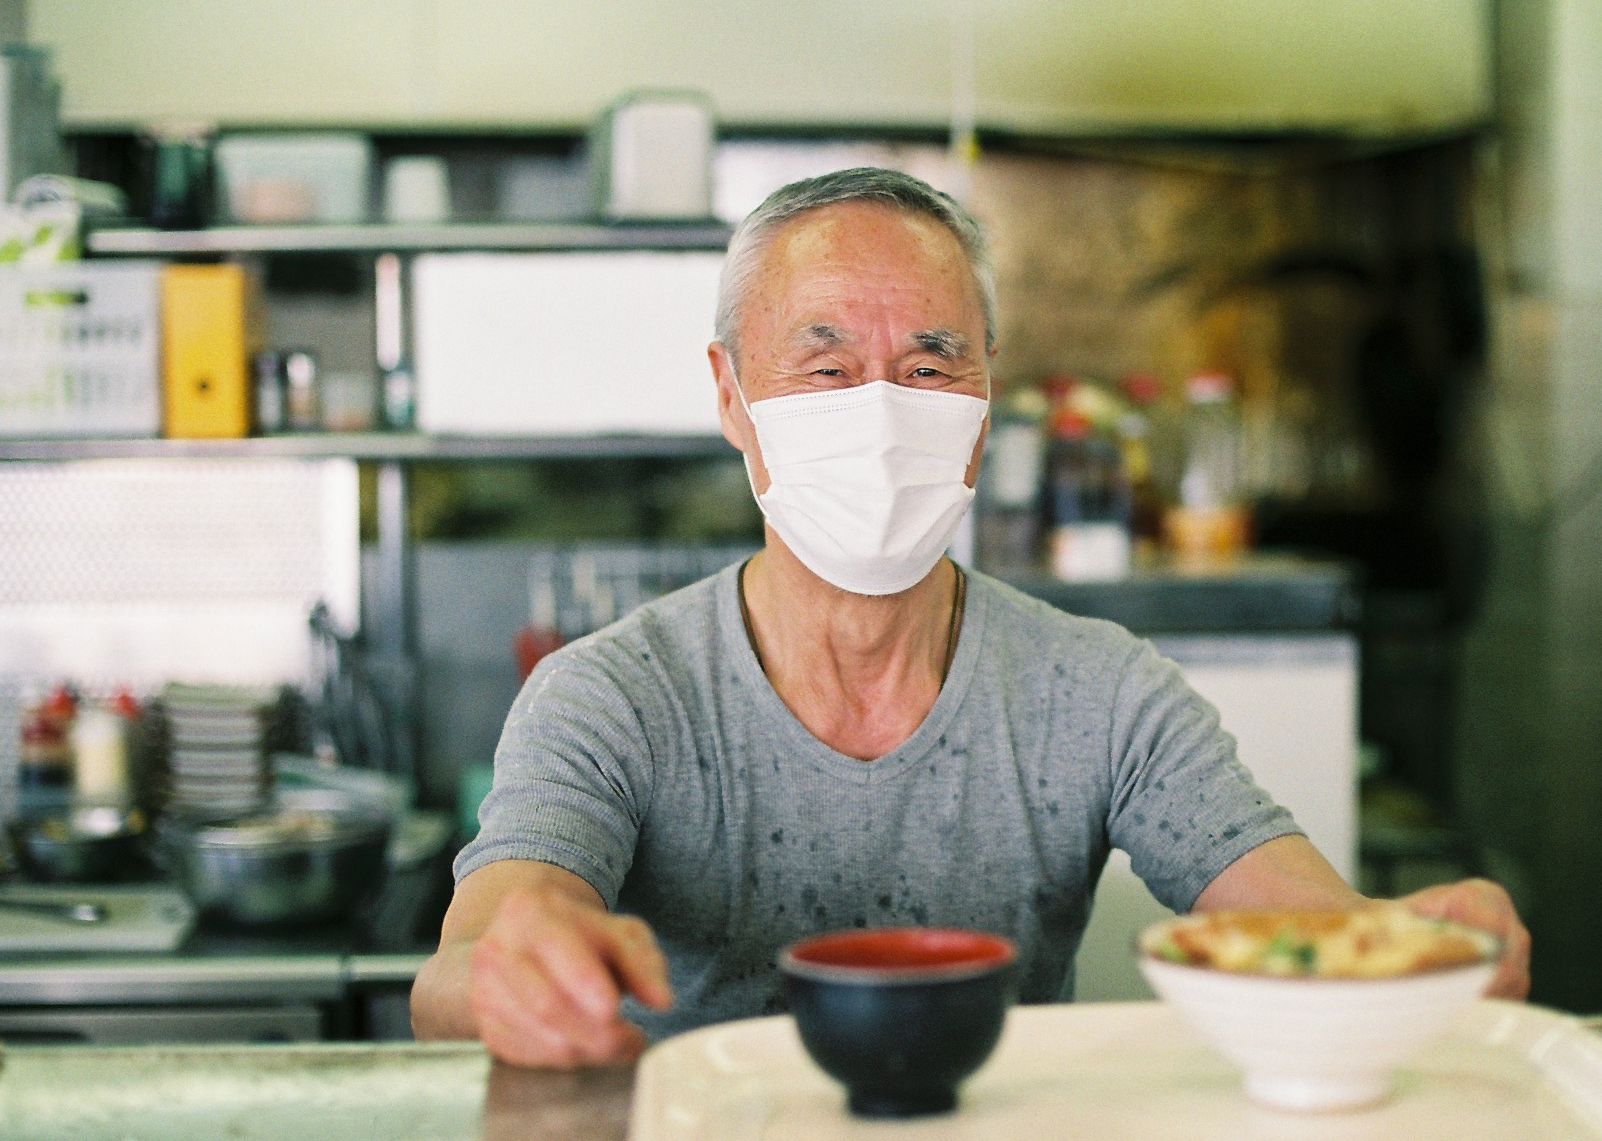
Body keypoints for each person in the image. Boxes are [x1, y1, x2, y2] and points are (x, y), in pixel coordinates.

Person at [410, 167, 1530, 1068]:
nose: (882, 408)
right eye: (826, 363)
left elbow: (1315, 930)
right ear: (729, 396)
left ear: (988, 396)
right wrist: (514, 971)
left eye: (929, 363)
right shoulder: (612, 695)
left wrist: (1426, 947)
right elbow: (461, 968)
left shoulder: (1097, 690)